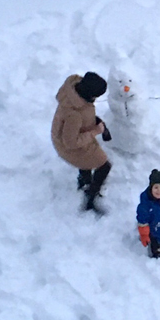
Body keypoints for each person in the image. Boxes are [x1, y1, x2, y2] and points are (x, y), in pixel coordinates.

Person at [51, 71, 112, 213]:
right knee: (104, 166)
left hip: (60, 136)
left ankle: (84, 180)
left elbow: (84, 119)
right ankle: (91, 197)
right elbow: (71, 142)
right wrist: (95, 131)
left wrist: (95, 122)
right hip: (67, 147)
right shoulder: (75, 114)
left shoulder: (73, 91)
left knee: (88, 156)